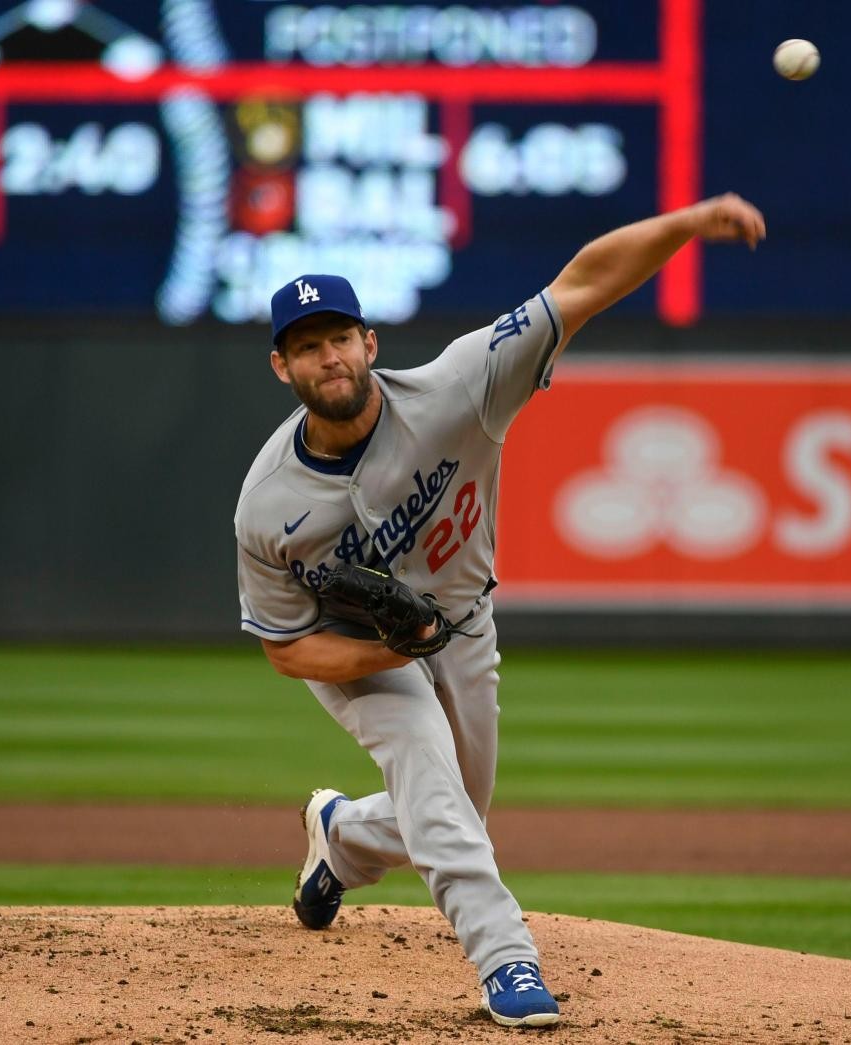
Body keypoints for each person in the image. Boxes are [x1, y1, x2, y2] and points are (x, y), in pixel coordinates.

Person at [233, 194, 767, 1027]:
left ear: (369, 343)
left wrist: (687, 225)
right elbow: (287, 650)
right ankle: (507, 959)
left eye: (339, 337)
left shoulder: (457, 385)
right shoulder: (268, 508)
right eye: (306, 347)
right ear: (282, 368)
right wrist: (392, 652)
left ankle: (341, 836)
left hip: (466, 621)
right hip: (357, 651)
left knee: (455, 813)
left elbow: (581, 285)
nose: (327, 356)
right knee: (428, 777)